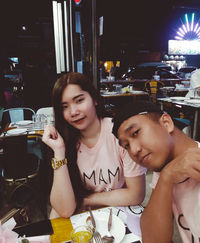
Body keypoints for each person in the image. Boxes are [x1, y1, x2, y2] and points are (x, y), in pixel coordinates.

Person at [42, 72, 146, 218]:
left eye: (79, 100)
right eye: (65, 106)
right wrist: (59, 151)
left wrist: (85, 200)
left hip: (115, 213)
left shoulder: (120, 134)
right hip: (79, 218)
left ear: (95, 99)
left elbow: (136, 194)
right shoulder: (63, 141)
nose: (73, 112)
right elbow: (64, 210)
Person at [112, 100, 200, 243]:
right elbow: (152, 239)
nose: (134, 150)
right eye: (126, 146)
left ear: (166, 123)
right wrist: (166, 177)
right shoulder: (165, 170)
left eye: (136, 132)